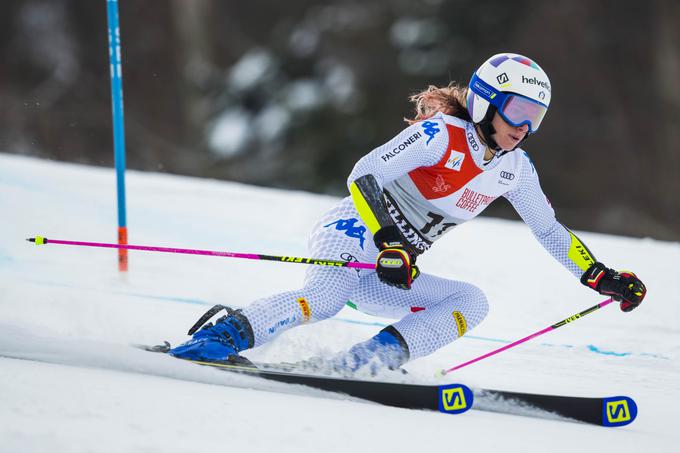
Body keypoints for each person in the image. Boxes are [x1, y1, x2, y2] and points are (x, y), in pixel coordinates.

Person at [169, 53, 647, 374]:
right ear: (486, 101)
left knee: (470, 302)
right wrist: (389, 241)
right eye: (517, 111)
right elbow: (363, 174)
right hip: (355, 234)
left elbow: (547, 228)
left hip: (393, 267)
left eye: (536, 117)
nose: (524, 127)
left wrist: (599, 275)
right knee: (326, 299)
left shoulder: (515, 170)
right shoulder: (441, 135)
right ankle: (220, 339)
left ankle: (360, 365)